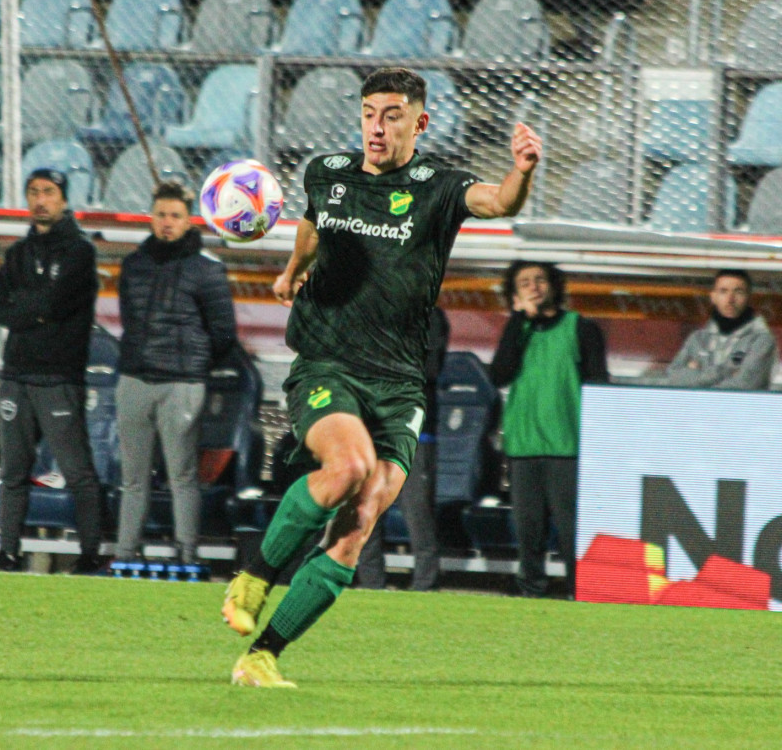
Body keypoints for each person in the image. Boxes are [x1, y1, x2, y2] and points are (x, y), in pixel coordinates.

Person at [222, 67, 543, 687]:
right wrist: (292, 270)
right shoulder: (327, 174)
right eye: (369, 112)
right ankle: (254, 576)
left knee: (360, 522)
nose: (377, 125)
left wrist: (523, 170)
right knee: (348, 469)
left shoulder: (440, 187)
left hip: (399, 382)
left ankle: (263, 656)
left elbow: (498, 202)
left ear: (419, 122)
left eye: (393, 114)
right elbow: (314, 224)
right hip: (328, 361)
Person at [113, 181, 238, 567]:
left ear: (189, 220)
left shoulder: (207, 270)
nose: (167, 223)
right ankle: (125, 553)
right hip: (134, 379)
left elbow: (224, 332)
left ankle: (186, 553)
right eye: (161, 215)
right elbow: (128, 318)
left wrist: (195, 366)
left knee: (182, 476)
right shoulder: (133, 264)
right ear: (152, 217)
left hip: (182, 385)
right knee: (133, 478)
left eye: (175, 216)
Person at [0, 168, 102, 575]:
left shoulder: (80, 252)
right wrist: (33, 310)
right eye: (33, 192)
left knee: (78, 473)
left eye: (48, 192)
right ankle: (8, 554)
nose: (40, 200)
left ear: (64, 200)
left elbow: (55, 304)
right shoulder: (18, 253)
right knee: (13, 472)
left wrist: (28, 307)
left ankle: (90, 558)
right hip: (15, 375)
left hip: (59, 377)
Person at [490, 260, 608, 599]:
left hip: (567, 445)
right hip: (524, 445)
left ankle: (578, 590)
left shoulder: (580, 328)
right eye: (524, 282)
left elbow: (598, 384)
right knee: (528, 530)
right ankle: (531, 592)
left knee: (572, 530)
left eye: (540, 280)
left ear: (554, 286)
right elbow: (499, 374)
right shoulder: (517, 330)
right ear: (514, 294)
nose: (533, 287)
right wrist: (518, 320)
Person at [355, 306, 449, 591]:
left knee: (418, 514)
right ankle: (371, 585)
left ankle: (424, 585)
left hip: (413, 433)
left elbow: (429, 368)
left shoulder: (429, 316)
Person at [659, 269, 776, 390]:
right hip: (697, 408)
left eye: (738, 292)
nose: (730, 299)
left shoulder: (761, 340)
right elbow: (673, 377)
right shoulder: (698, 338)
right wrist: (725, 372)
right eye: (723, 291)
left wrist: (697, 373)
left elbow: (746, 385)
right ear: (713, 297)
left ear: (749, 298)